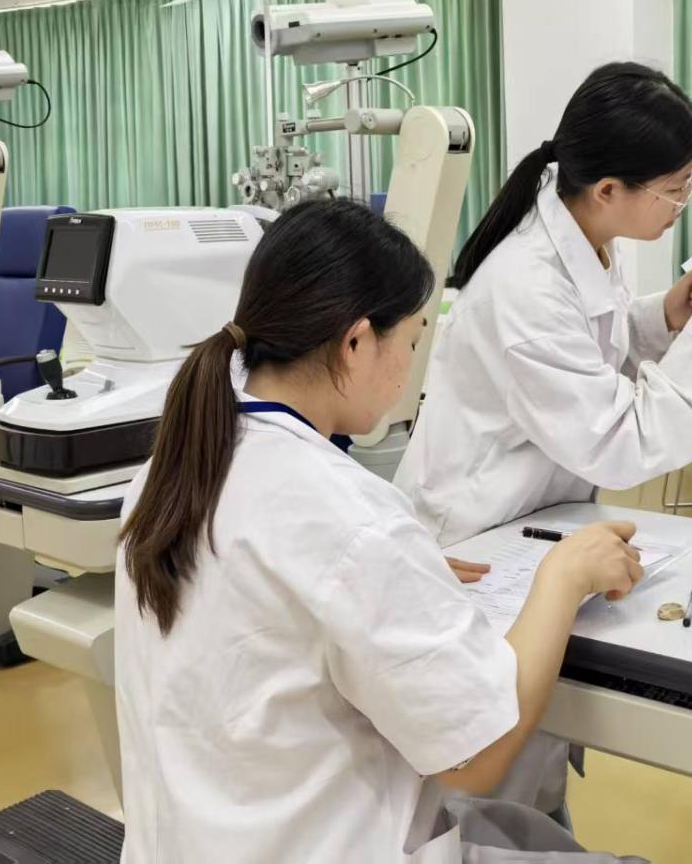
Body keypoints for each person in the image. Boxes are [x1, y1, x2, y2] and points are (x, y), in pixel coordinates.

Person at [115, 199, 649, 863]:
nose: (410, 370)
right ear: (356, 342)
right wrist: (565, 577)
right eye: (413, 342)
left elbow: (278, 591)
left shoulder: (175, 469)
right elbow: (478, 755)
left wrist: (397, 577)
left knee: (525, 833)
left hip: (195, 844)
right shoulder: (350, 516)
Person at [395, 61, 692, 549]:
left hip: (535, 512)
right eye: (675, 188)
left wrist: (663, 317)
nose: (684, 200)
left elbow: (586, 348)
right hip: (471, 533)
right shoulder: (527, 287)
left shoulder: (584, 234)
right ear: (608, 190)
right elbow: (618, 441)